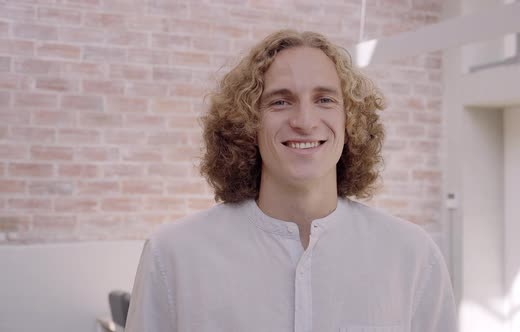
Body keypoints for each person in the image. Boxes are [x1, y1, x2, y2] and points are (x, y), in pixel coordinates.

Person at [126, 30, 457, 332]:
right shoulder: (173, 256)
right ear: (247, 123)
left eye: (324, 99)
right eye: (280, 101)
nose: (304, 121)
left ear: (351, 120)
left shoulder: (412, 257)